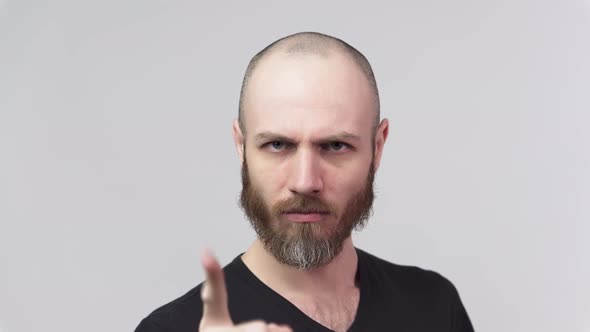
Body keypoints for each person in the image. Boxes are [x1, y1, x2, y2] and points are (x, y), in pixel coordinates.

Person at [135, 31, 475, 332]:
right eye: (278, 145)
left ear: (377, 146)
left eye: (336, 146)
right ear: (241, 146)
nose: (305, 181)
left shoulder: (434, 306)